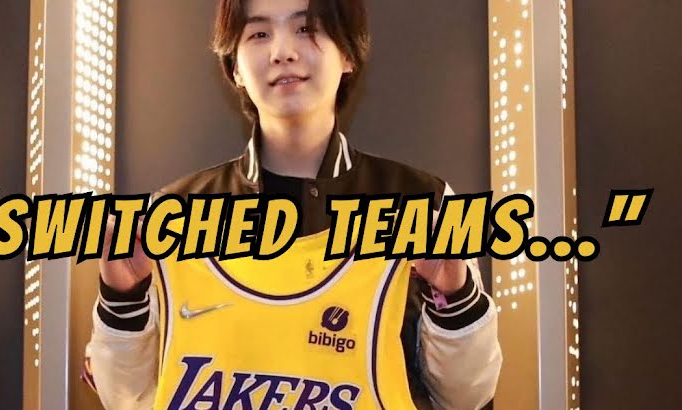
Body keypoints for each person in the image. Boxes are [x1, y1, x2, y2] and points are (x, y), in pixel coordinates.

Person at [83, 0, 502, 408]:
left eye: (306, 29)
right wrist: (124, 298)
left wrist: (455, 295)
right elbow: (127, 397)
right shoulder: (174, 214)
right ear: (235, 68)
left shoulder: (423, 202)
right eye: (259, 34)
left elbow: (467, 396)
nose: (282, 52)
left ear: (348, 53)